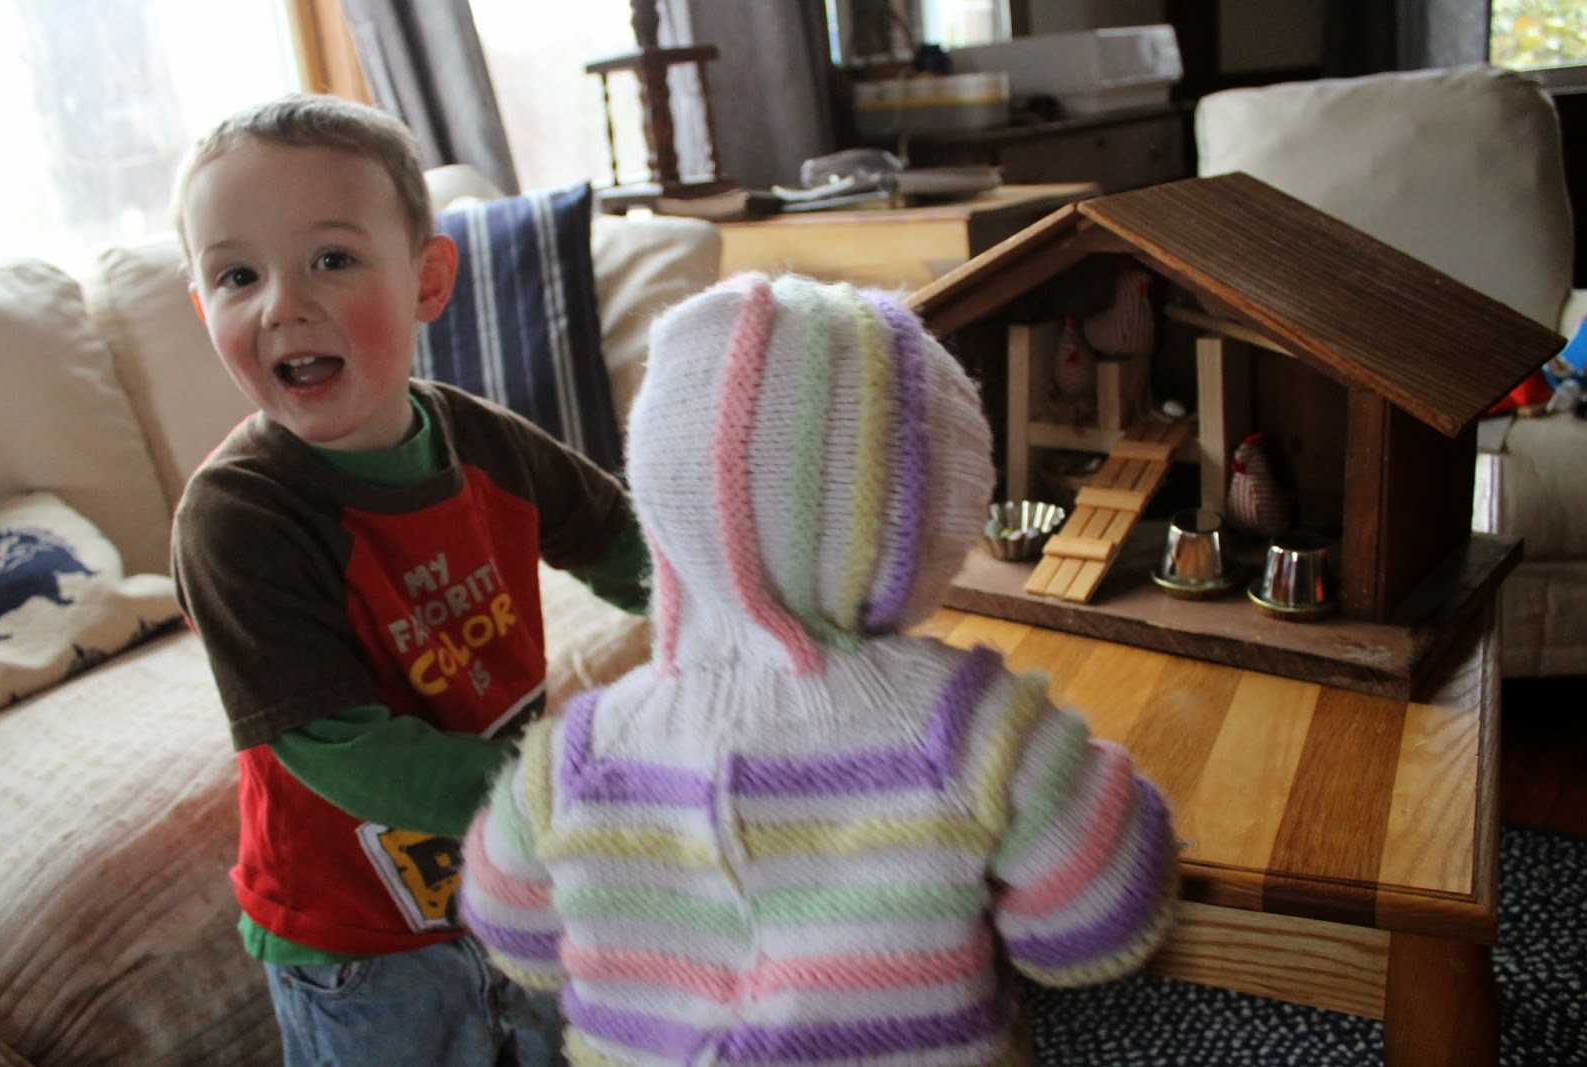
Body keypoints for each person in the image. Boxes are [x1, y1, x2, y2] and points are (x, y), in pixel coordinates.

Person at [458, 273, 1180, 1065]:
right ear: (931, 520)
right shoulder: (962, 724)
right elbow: (1094, 923)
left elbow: (515, 933)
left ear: (663, 499)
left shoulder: (580, 752)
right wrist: (1091, 775)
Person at [170, 93, 647, 1066]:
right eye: (236, 275)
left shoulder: (482, 440)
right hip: (356, 946)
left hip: (511, 883)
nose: (282, 304)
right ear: (201, 306)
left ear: (429, 278)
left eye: (332, 259)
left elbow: (621, 542)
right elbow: (341, 746)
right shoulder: (236, 517)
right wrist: (561, 799)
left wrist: (742, 617)